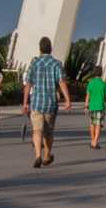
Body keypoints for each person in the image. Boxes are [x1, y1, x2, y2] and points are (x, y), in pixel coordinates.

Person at [22, 36, 71, 168]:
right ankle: (46, 155)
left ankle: (37, 155)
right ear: (51, 48)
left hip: (36, 102)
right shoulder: (56, 64)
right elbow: (61, 82)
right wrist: (67, 99)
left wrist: (25, 102)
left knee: (37, 130)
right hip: (50, 103)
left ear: (40, 49)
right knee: (48, 131)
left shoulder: (34, 63)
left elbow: (28, 84)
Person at [85, 66, 106, 150]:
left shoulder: (90, 83)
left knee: (92, 124)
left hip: (92, 107)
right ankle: (95, 141)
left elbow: (88, 96)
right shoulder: (103, 84)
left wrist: (86, 106)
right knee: (98, 124)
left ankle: (92, 140)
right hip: (100, 107)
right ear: (101, 73)